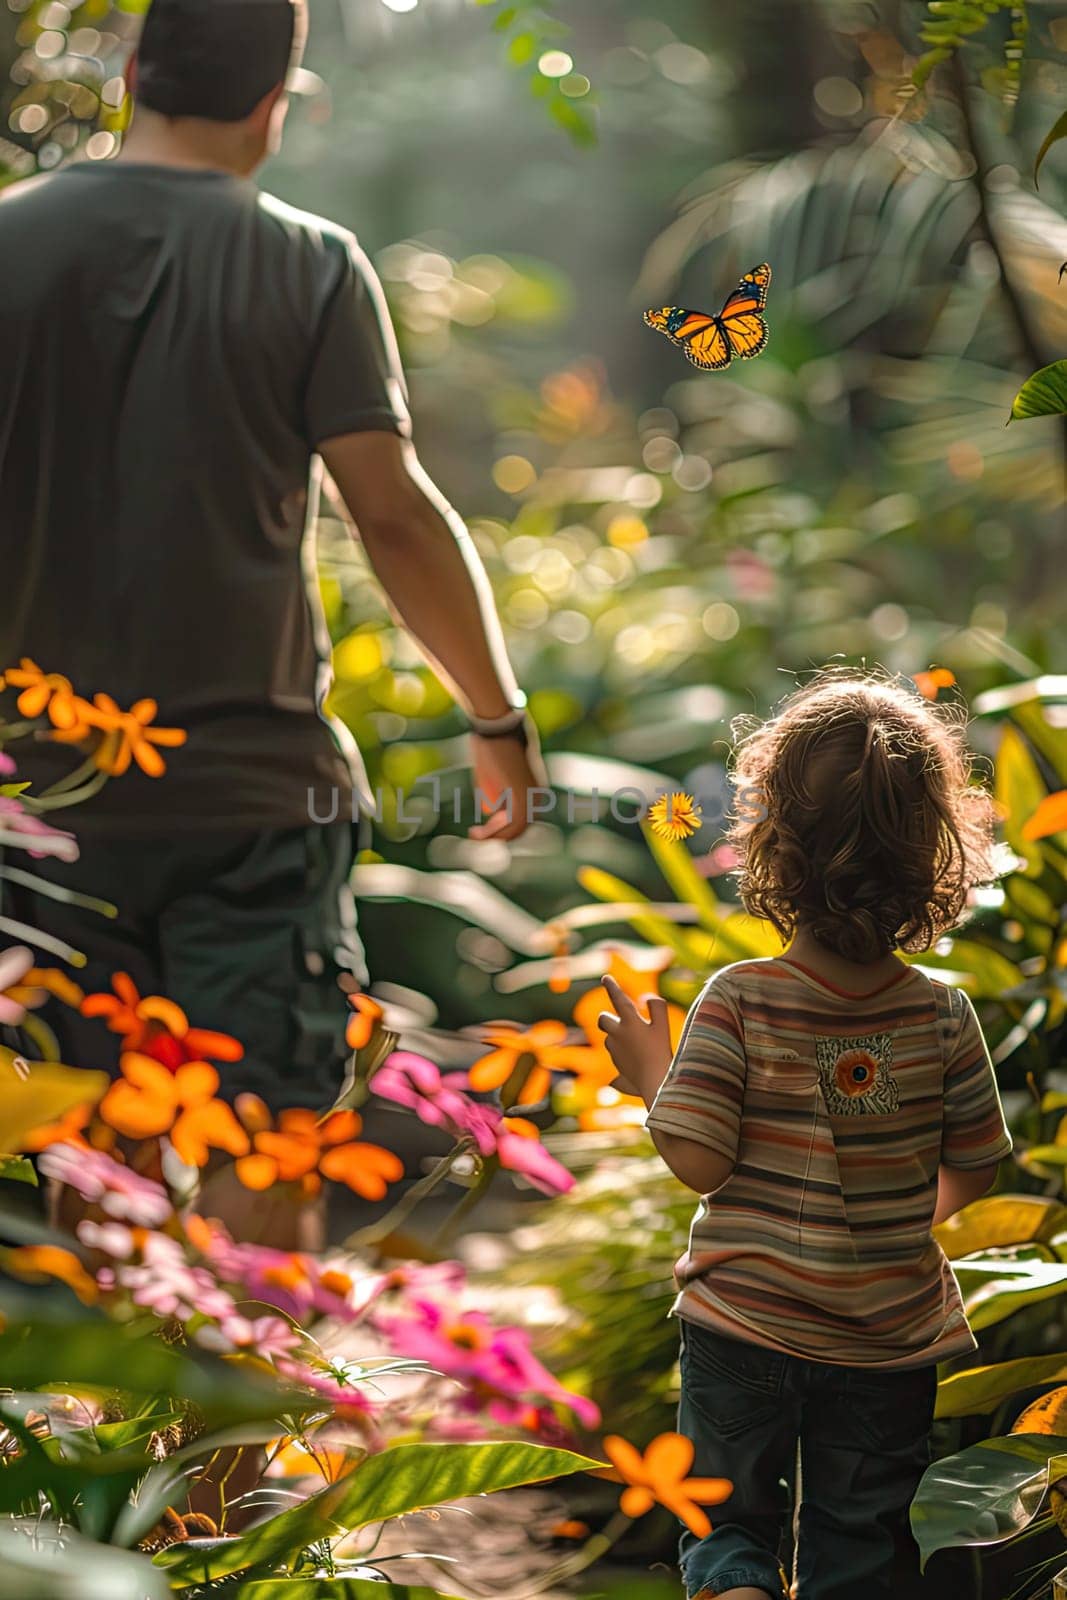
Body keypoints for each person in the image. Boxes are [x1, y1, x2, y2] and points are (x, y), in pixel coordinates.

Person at [0, 0, 542, 1174]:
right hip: (249, 799)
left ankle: (122, 1361)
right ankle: (263, 1362)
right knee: (269, 1139)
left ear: (136, 71)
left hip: (34, 799)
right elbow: (391, 517)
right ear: (272, 107)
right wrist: (495, 719)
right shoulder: (309, 263)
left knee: (87, 1144)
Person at [598, 671, 1012, 1600]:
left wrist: (648, 1077)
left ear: (770, 840)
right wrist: (886, 1214)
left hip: (743, 1321)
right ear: (933, 850)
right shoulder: (941, 1015)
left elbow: (701, 1162)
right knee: (862, 1541)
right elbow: (978, 1167)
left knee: (726, 1520)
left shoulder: (740, 999)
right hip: (884, 1341)